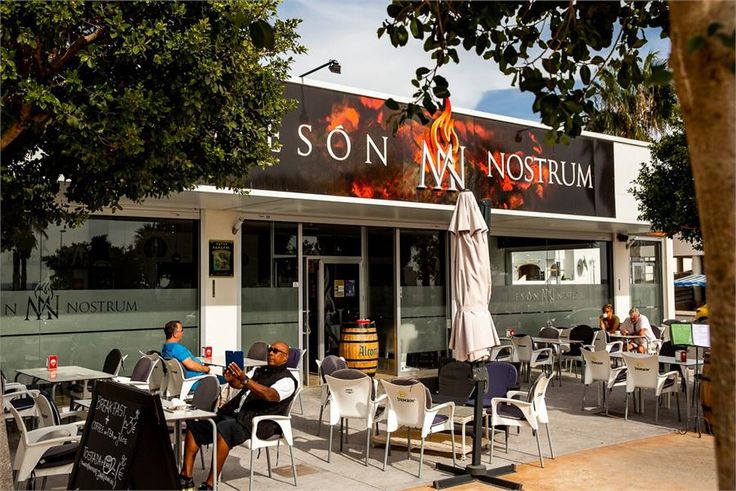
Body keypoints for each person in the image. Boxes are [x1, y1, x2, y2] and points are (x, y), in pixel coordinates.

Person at [179, 341, 296, 491]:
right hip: (236, 414)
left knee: (225, 428)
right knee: (195, 424)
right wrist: (232, 379)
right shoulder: (259, 370)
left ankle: (210, 484)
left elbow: (270, 395)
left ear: (285, 358)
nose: (270, 353)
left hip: (259, 422)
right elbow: (240, 385)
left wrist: (245, 380)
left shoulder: (287, 380)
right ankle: (186, 478)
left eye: (275, 351)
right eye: (269, 349)